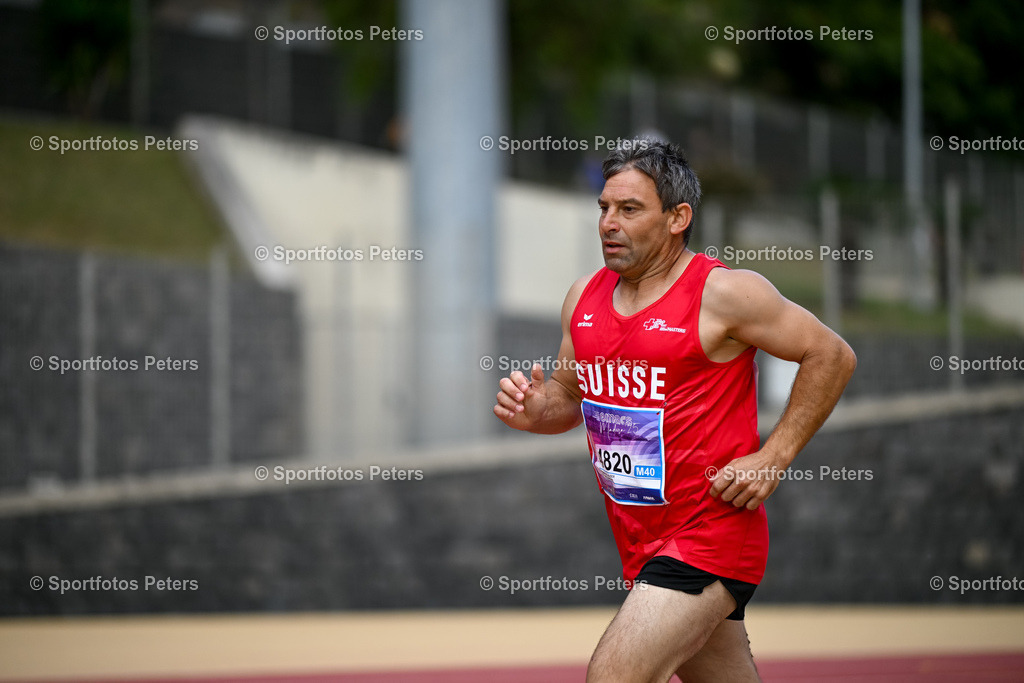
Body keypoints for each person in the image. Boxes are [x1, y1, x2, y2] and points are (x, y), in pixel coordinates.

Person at [493, 138, 856, 682]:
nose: (608, 223)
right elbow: (568, 396)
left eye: (629, 209)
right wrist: (536, 410)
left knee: (614, 675)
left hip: (711, 532)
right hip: (638, 536)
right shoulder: (583, 298)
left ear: (677, 218)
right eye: (604, 207)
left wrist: (774, 456)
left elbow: (831, 354)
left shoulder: (724, 293)